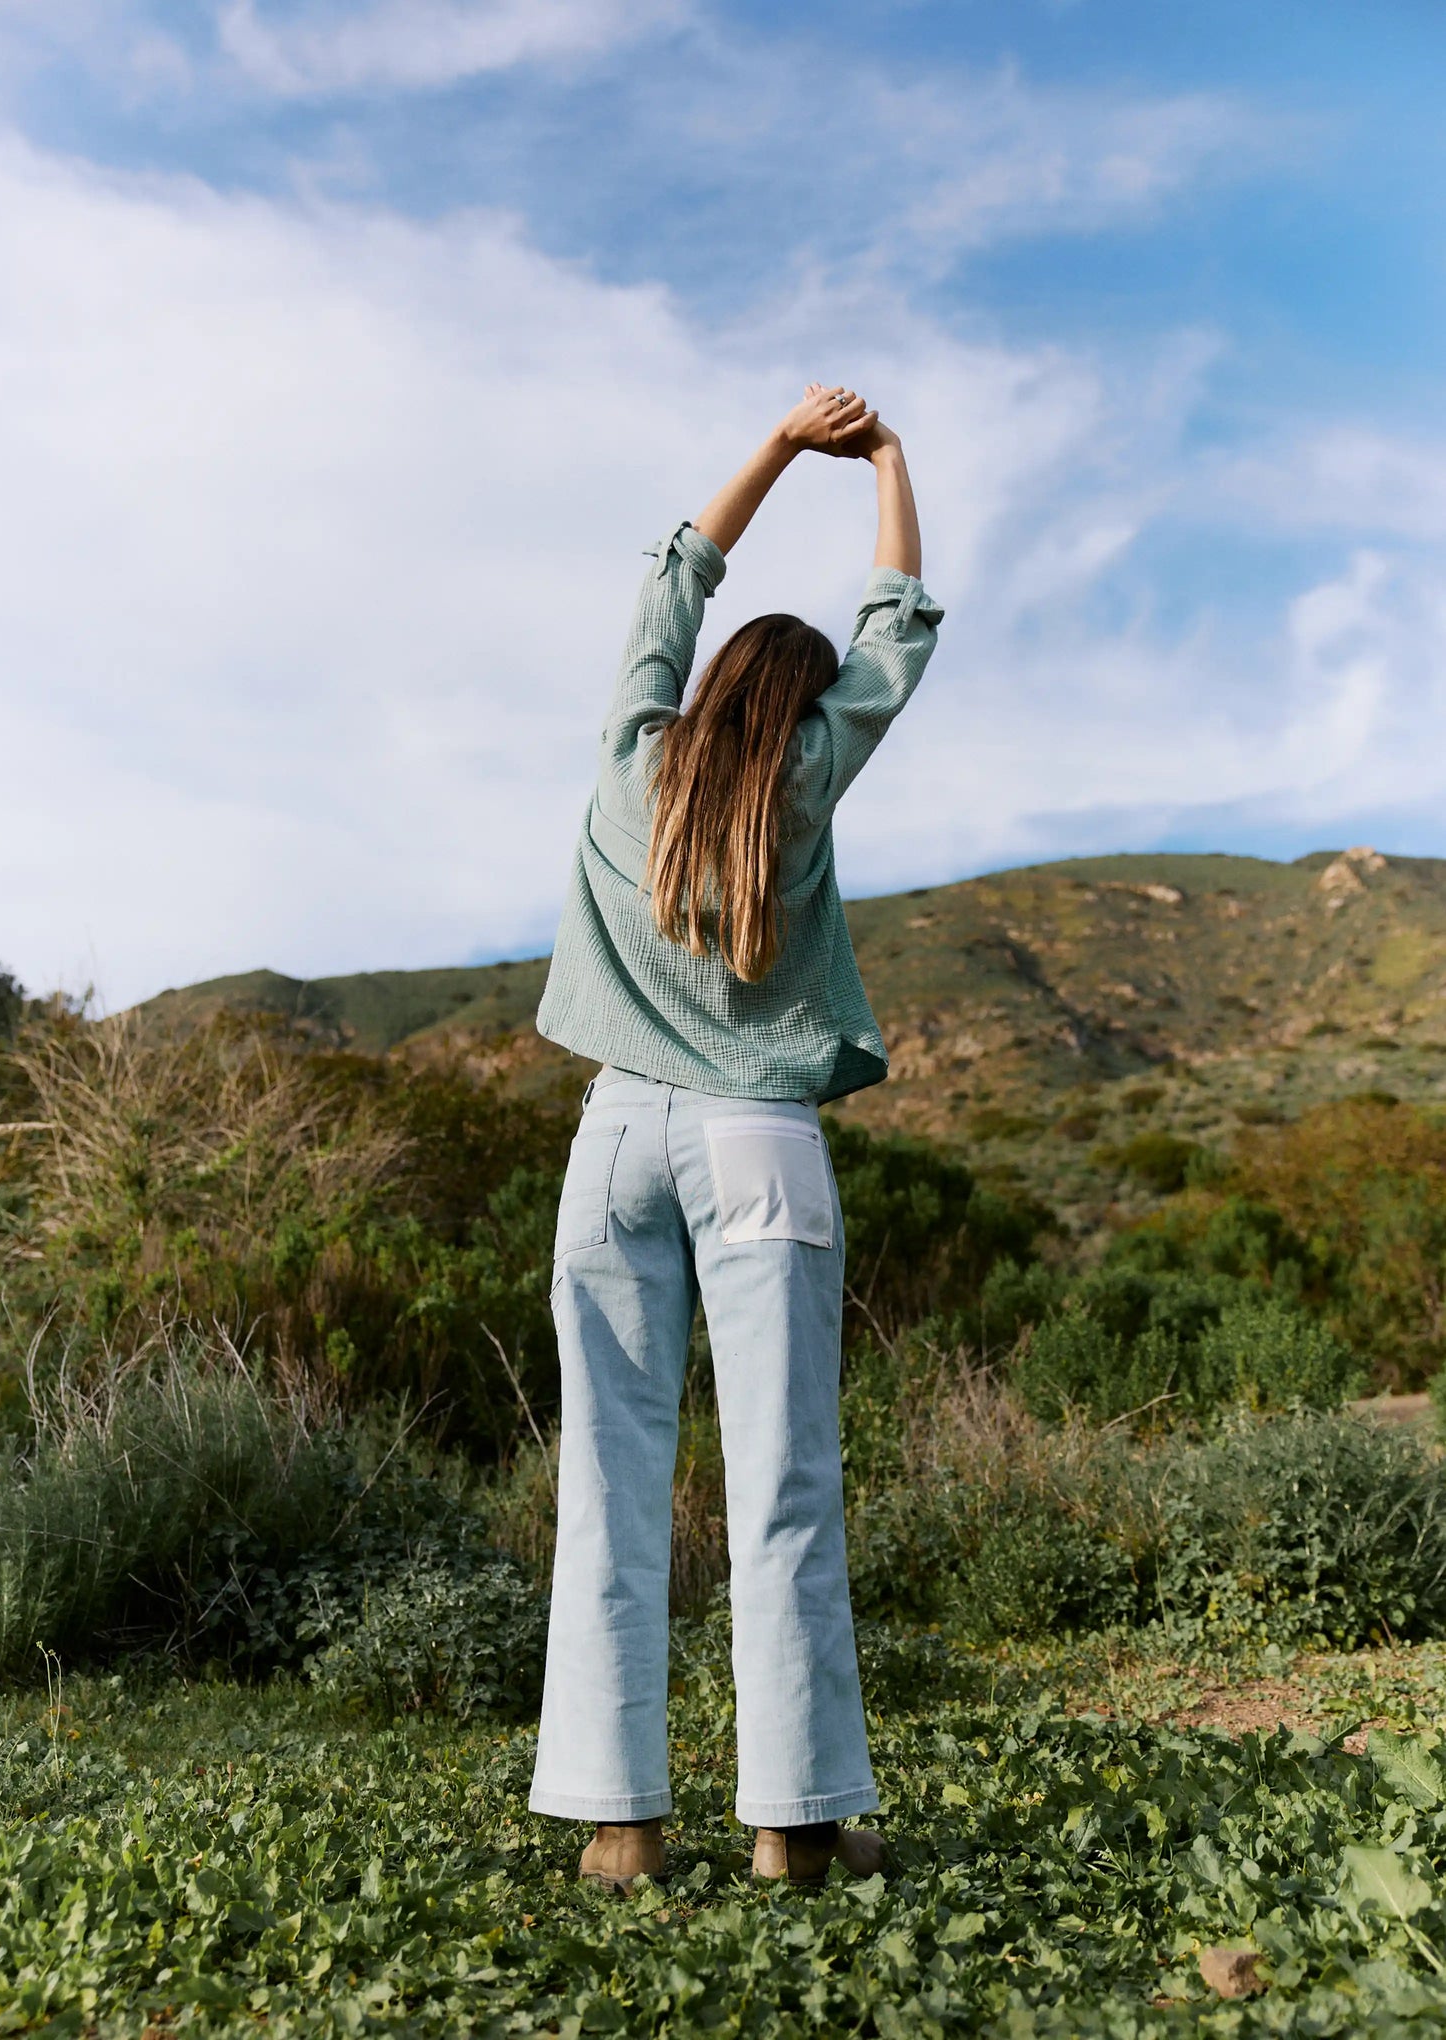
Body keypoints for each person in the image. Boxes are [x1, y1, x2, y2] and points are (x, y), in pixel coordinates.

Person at [530, 385, 942, 1888]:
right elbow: (899, 630)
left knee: (609, 1489)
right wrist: (887, 460)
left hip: (615, 1142)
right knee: (782, 1484)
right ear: (805, 708)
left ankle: (621, 1833)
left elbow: (669, 581)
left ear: (709, 689)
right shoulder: (808, 781)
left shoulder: (635, 752)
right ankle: (790, 1831)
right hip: (760, 1142)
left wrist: (775, 446)